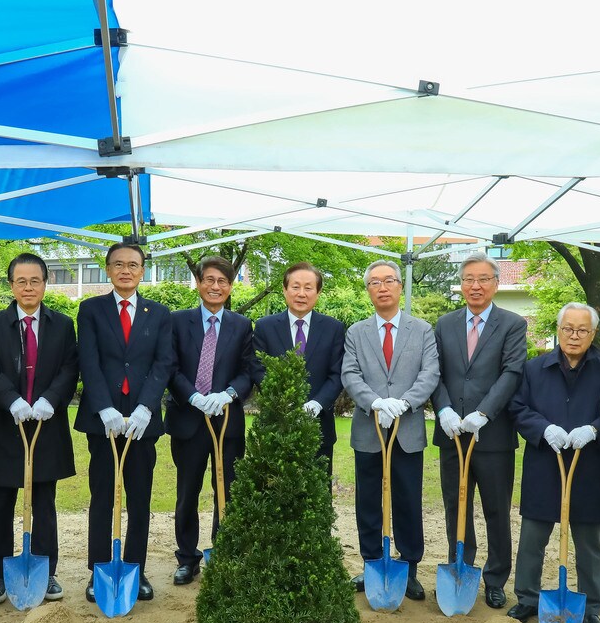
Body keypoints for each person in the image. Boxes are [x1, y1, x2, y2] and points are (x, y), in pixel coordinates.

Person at [73, 241, 175, 603]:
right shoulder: (91, 309)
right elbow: (89, 360)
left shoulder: (159, 313)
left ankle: (136, 567)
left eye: (133, 264)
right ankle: (98, 568)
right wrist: (104, 408)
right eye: (119, 264)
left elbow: (164, 363)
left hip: (142, 422)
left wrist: (147, 407)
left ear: (142, 271)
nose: (126, 270)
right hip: (104, 421)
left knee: (140, 497)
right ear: (108, 269)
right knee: (103, 496)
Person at [0, 253, 79, 604]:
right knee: (1, 503)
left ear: (46, 284)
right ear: (11, 285)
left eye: (35, 281)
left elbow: (70, 368)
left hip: (46, 426)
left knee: (44, 503)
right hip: (6, 427)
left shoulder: (63, 325)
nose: (28, 287)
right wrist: (11, 400)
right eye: (21, 281)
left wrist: (51, 399)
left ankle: (46, 571)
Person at [507, 303, 600, 623]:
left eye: (582, 330)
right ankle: (527, 596)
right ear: (558, 329)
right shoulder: (535, 368)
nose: (574, 336)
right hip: (545, 462)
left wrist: (594, 429)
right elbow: (518, 407)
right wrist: (542, 429)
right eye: (568, 329)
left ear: (593, 334)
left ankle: (592, 607)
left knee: (589, 545)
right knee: (533, 538)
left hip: (590, 466)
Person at [431, 253, 529, 609]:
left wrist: (484, 412)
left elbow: (512, 372)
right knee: (456, 506)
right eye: (469, 279)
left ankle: (496, 577)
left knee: (496, 510)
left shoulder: (513, 324)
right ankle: (462, 567)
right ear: (461, 283)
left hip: (494, 436)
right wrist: (442, 408)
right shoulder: (444, 324)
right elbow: (435, 373)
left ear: (496, 284)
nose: (476, 286)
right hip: (452, 433)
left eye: (483, 279)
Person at [341, 259, 439, 602]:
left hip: (407, 429)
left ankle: (409, 568)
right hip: (369, 430)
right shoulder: (356, 332)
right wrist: (376, 403)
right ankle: (371, 563)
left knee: (407, 499)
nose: (382, 288)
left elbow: (430, 373)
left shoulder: (423, 330)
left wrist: (404, 403)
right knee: (368, 500)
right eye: (375, 283)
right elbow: (350, 374)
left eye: (389, 281)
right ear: (368, 290)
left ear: (400, 286)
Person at [166, 255, 258, 585]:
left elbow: (248, 371)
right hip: (188, 422)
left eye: (222, 281)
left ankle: (223, 552)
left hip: (227, 422)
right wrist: (192, 396)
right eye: (209, 280)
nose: (215, 286)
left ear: (230, 286)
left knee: (228, 491)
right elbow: (170, 367)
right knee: (187, 491)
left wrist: (229, 393)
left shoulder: (241, 325)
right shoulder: (177, 321)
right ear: (199, 283)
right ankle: (187, 557)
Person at [252, 262, 346, 480]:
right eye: (295, 287)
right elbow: (257, 368)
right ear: (285, 290)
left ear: (318, 292)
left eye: (308, 287)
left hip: (319, 425)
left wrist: (316, 404)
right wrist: (283, 400)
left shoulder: (333, 328)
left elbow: (337, 373)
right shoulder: (265, 326)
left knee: (317, 494)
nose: (301, 294)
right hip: (276, 424)